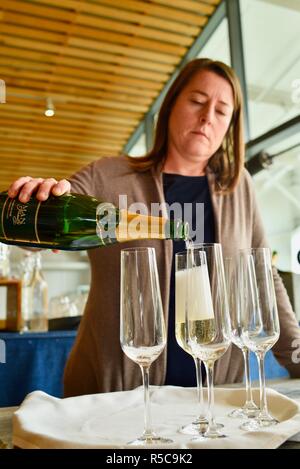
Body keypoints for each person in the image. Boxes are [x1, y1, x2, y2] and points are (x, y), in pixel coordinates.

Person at [7, 58, 300, 397]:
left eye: (222, 111)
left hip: (218, 394)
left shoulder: (238, 187)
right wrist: (36, 200)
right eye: (197, 101)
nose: (207, 117)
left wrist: (296, 356)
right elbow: (41, 233)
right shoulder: (109, 176)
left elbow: (265, 277)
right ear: (171, 104)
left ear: (229, 127)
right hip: (115, 394)